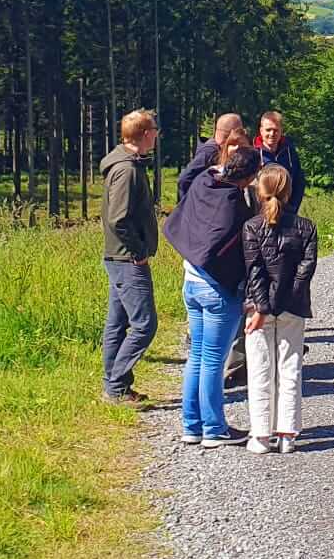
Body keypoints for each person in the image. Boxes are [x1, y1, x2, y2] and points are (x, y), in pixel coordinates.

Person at [165, 123, 257, 446]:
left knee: (198, 356)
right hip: (216, 289)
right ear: (248, 179)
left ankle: (192, 426)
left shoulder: (206, 181)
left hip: (190, 281)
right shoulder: (234, 206)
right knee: (213, 361)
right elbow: (237, 252)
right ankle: (214, 429)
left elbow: (192, 178)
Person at [242, 162, 319, 455]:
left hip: (258, 309)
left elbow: (255, 271)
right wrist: (286, 300)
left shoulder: (251, 227)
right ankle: (288, 434)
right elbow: (304, 271)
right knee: (290, 368)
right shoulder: (307, 227)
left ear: (259, 192)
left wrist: (263, 307)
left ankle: (261, 435)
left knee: (260, 368)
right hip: (293, 306)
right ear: (289, 192)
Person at [100, 109, 161, 404]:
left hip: (120, 257)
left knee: (117, 323)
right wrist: (138, 251)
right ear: (146, 134)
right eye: (154, 130)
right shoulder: (126, 169)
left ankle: (117, 387)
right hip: (126, 259)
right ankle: (115, 385)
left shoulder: (128, 163)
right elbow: (118, 218)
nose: (157, 135)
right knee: (145, 325)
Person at [255, 110, 307, 219]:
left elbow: (299, 181)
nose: (272, 134)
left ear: (281, 131)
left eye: (275, 130)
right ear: (261, 130)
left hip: (288, 212)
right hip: (261, 214)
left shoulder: (290, 152)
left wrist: (293, 208)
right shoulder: (253, 154)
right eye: (268, 130)